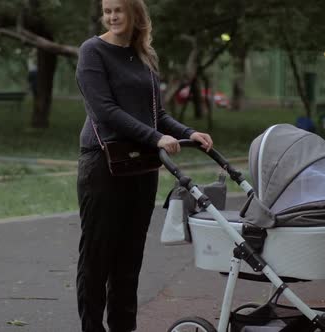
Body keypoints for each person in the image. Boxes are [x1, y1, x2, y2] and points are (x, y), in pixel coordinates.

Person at [75, 1, 213, 331]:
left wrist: (188, 132)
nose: (111, 16)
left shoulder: (145, 56)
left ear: (136, 13)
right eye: (107, 10)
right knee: (97, 258)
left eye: (118, 9)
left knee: (129, 260)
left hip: (142, 168)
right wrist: (155, 138)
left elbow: (157, 115)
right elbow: (105, 110)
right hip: (103, 166)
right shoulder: (93, 51)